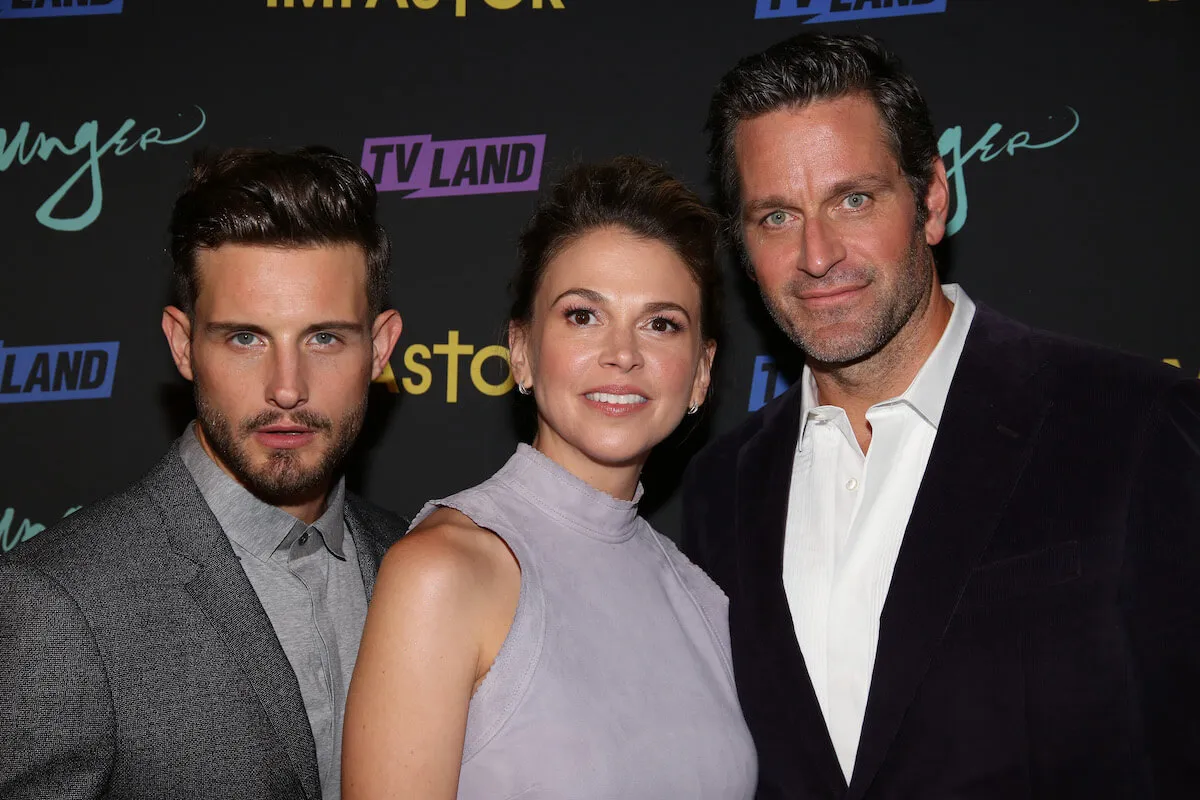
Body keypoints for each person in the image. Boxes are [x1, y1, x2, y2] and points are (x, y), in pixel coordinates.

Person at [682, 32, 1200, 800]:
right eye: (777, 218)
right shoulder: (720, 487)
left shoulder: (1135, 425)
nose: (818, 255)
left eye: (853, 199)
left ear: (932, 199)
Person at [342, 156, 757, 799]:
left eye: (661, 323)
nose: (623, 353)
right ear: (521, 350)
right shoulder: (443, 571)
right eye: (583, 315)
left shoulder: (703, 599)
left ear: (701, 373)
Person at [0, 146, 407, 800]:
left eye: (324, 337)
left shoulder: (414, 562)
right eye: (245, 337)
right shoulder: (60, 602)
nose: (286, 388)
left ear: (380, 347)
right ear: (183, 345)